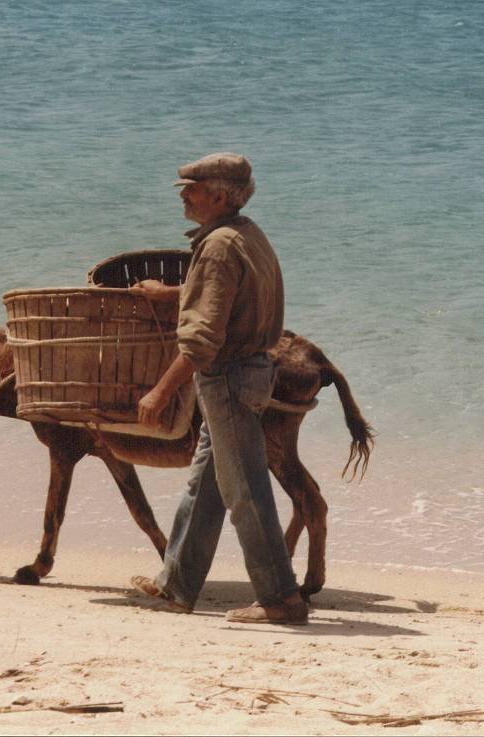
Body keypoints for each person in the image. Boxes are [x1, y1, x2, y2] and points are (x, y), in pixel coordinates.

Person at [127, 152, 307, 625]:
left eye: (192, 188)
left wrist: (160, 392)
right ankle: (176, 585)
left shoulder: (220, 247)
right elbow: (230, 297)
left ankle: (282, 600)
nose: (184, 195)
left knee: (246, 492)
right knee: (204, 485)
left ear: (220, 196)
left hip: (227, 380)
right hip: (247, 376)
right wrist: (171, 295)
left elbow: (203, 339)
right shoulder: (245, 235)